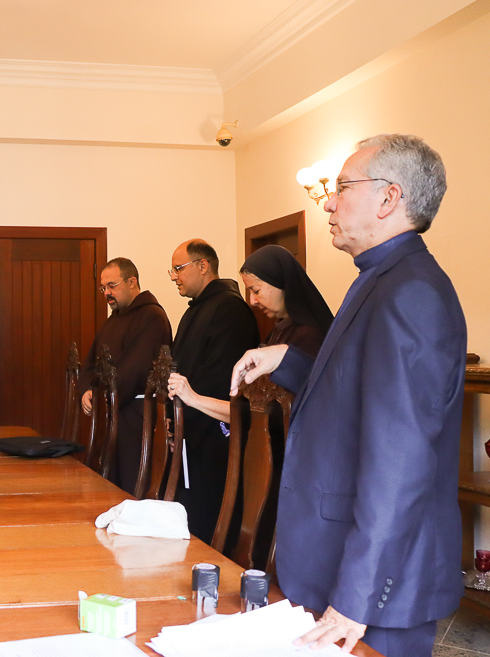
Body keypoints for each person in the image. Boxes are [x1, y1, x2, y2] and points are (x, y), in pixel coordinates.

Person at [231, 135, 466, 657]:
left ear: (389, 198)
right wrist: (287, 360)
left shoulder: (411, 292)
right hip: (338, 561)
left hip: (375, 587)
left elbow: (402, 461)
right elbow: (357, 392)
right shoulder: (381, 277)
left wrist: (357, 595)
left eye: (342, 188)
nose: (329, 204)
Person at [167, 244, 333, 423]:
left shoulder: (308, 337)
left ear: (281, 283)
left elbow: (277, 412)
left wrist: (194, 399)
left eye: (256, 290)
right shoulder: (276, 333)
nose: (252, 301)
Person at [168, 239, 260, 544]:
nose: (174, 276)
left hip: (214, 438)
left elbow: (222, 381)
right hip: (189, 434)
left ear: (203, 265)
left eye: (179, 268)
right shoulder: (194, 311)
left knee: (210, 522)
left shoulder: (230, 309)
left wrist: (185, 420)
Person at [77, 257, 172, 494]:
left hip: (136, 417)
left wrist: (102, 397)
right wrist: (87, 389)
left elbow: (135, 368)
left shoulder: (151, 317)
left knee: (131, 486)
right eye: (103, 288)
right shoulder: (114, 319)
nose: (107, 293)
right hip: (112, 413)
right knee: (110, 485)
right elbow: (92, 362)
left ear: (132, 282)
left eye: (112, 286)